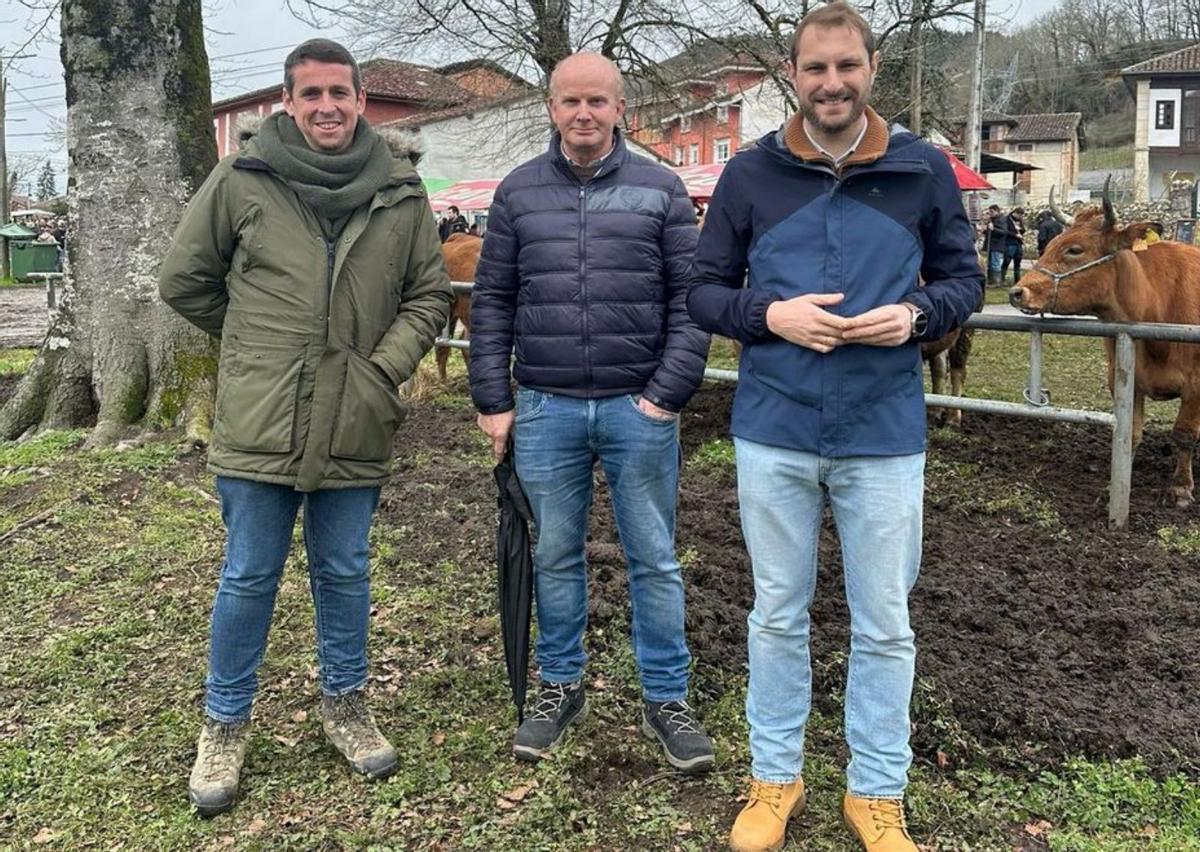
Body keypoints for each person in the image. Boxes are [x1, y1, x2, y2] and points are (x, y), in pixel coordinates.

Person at [685, 4, 982, 850]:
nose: (831, 84)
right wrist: (770, 314)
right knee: (777, 611)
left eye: (846, 66)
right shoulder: (750, 174)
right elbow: (706, 291)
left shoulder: (924, 170)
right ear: (794, 72)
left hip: (882, 429)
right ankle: (775, 779)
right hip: (773, 425)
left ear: (871, 67)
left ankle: (875, 791)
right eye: (815, 69)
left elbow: (965, 282)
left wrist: (919, 315)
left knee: (885, 620)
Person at [158, 38, 452, 817]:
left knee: (345, 571)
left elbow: (429, 295)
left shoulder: (400, 189)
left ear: (360, 101)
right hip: (262, 414)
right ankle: (224, 724)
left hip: (356, 409)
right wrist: (255, 345)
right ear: (286, 103)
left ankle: (346, 706)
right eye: (311, 93)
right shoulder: (242, 178)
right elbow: (184, 280)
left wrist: (381, 368)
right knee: (249, 576)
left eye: (340, 93)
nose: (326, 106)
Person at [468, 52, 715, 775]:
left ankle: (667, 697)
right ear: (551, 107)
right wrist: (494, 397)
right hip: (545, 407)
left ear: (619, 109)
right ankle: (560, 683)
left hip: (638, 408)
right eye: (570, 101)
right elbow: (493, 303)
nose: (584, 113)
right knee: (553, 554)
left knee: (655, 559)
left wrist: (665, 394)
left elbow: (691, 303)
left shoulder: (662, 189)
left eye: (597, 102)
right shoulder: (517, 195)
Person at [1001, 206, 1025, 284]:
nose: (1020, 217)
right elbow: (1005, 231)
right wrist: (1015, 235)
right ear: (1015, 213)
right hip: (1010, 243)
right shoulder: (1007, 219)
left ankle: (1017, 280)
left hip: (1018, 243)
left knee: (1017, 263)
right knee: (1006, 261)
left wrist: (1021, 230)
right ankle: (1002, 279)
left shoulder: (1020, 220)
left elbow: (1023, 230)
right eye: (1019, 215)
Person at [983, 203, 1005, 285]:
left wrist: (993, 229)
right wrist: (985, 230)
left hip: (997, 245)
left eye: (992, 212)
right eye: (989, 212)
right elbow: (989, 232)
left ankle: (997, 282)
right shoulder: (992, 220)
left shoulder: (1001, 220)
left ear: (996, 211)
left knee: (995, 263)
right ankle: (990, 280)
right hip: (991, 245)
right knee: (989, 263)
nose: (990, 213)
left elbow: (1003, 232)